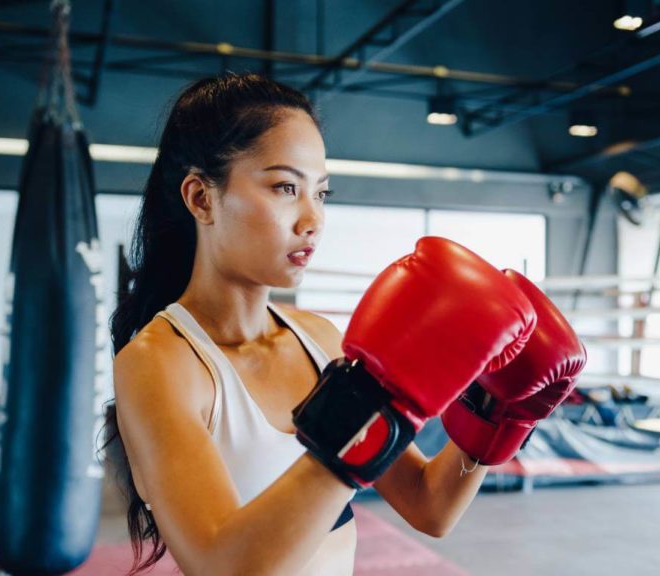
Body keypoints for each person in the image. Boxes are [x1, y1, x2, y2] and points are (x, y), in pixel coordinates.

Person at [105, 72, 583, 576]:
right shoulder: (159, 362)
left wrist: (494, 412)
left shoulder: (319, 339)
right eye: (285, 187)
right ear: (201, 197)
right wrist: (369, 417)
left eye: (322, 193)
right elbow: (224, 565)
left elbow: (429, 506)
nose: (312, 218)